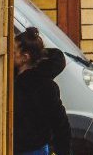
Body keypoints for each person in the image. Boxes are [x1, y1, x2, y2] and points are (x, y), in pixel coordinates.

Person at [13, 27, 70, 155]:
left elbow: (61, 125)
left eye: (13, 51)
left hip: (33, 151)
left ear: (25, 57)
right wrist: (36, 50)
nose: (9, 54)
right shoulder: (14, 78)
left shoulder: (44, 87)